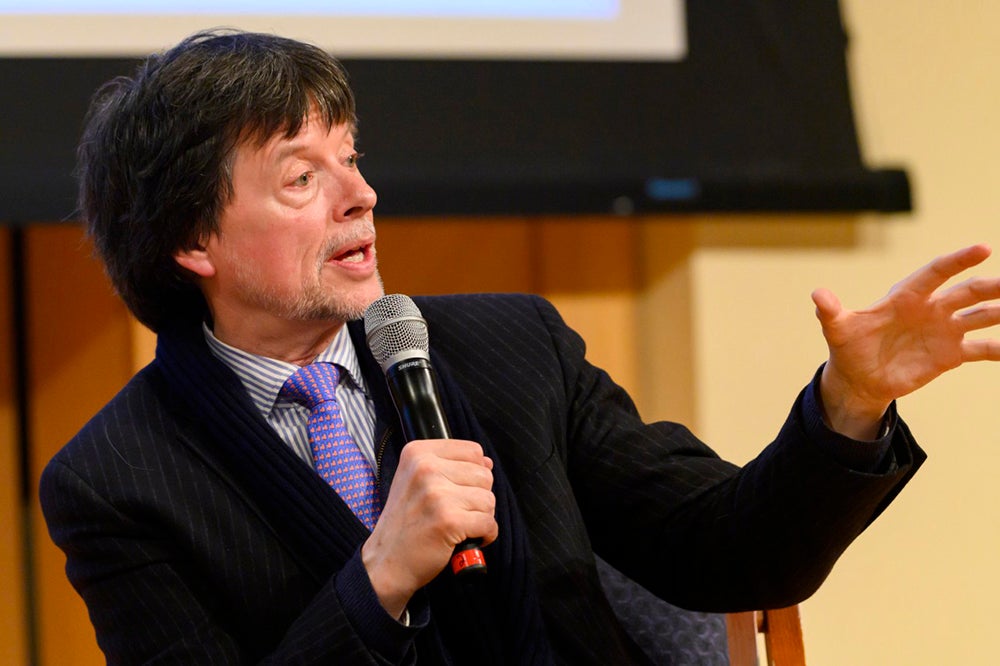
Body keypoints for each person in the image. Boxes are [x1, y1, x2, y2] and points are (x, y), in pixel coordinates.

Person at [39, 29, 1000, 665]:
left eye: (352, 155)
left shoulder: (512, 347)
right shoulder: (118, 481)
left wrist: (848, 404)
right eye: (300, 177)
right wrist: (380, 575)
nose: (360, 195)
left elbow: (729, 551)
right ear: (192, 241)